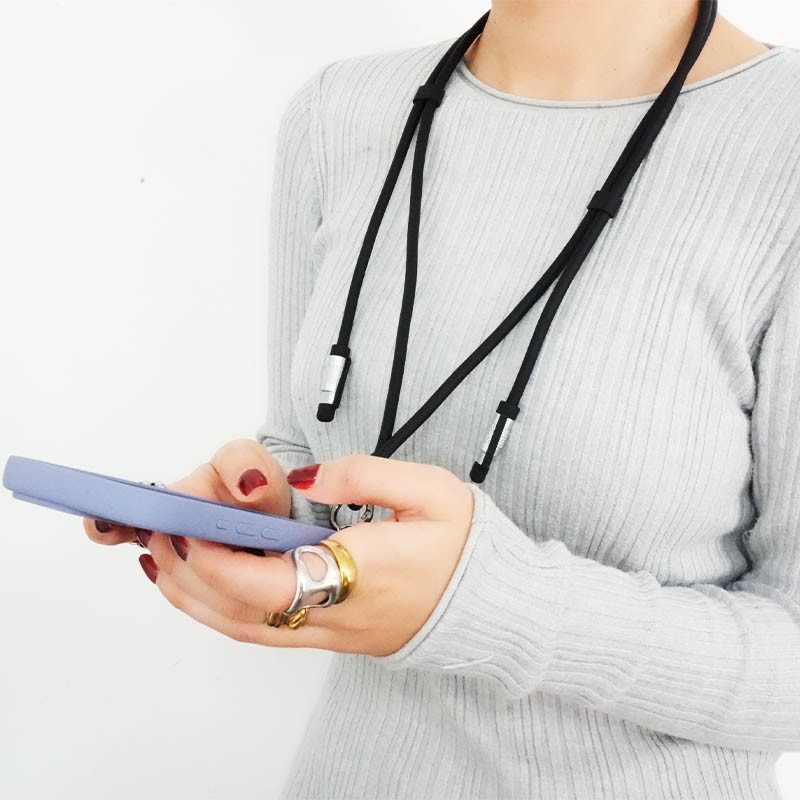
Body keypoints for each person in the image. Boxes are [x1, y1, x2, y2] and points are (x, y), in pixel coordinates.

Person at [84, 1, 800, 797]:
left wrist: (489, 605)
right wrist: (264, 514)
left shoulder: (781, 140)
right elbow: (308, 449)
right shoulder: (340, 113)